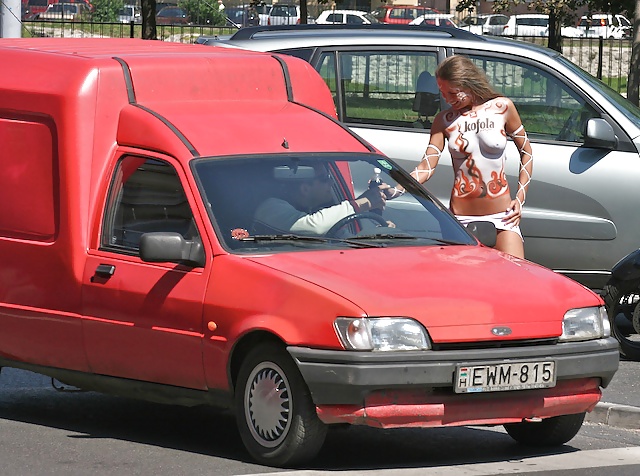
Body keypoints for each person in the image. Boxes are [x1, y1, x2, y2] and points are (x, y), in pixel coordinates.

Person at [406, 55, 533, 258]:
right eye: (443, 93)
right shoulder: (444, 121)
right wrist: (396, 186)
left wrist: (520, 198)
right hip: (461, 221)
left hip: (504, 217)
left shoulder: (503, 108)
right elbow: (427, 166)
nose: (447, 99)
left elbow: (526, 152)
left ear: (468, 84)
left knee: (515, 282)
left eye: (452, 93)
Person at [252, 164, 388, 236]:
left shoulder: (318, 210)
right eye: (325, 179)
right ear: (305, 188)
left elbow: (344, 237)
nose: (331, 183)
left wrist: (377, 234)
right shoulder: (270, 207)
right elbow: (315, 226)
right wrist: (361, 203)